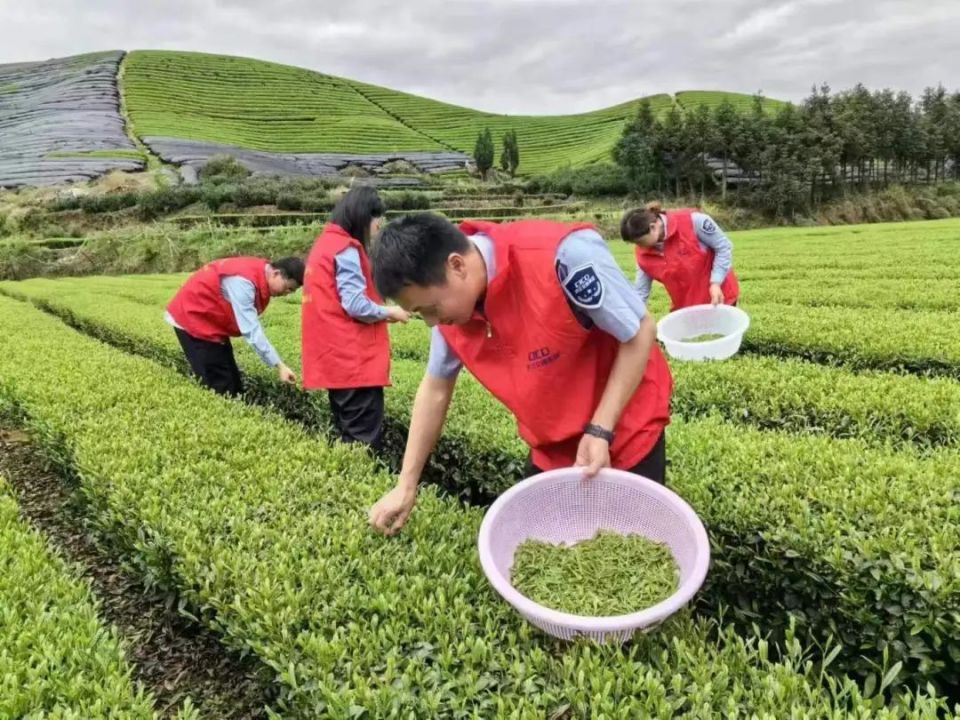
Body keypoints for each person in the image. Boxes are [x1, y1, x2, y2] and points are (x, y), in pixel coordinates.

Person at [366, 214, 673, 536]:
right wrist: (406, 485)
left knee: (628, 545)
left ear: (456, 266)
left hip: (624, 429)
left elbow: (639, 332)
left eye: (430, 309)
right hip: (551, 445)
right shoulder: (451, 317)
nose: (431, 322)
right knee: (547, 551)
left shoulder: (564, 256)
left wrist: (600, 430)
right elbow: (435, 389)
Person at [301, 186, 409, 452]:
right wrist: (390, 312)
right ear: (363, 216)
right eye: (376, 218)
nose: (378, 225)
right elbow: (355, 304)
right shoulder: (346, 249)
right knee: (364, 443)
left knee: (348, 436)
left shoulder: (325, 243)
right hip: (354, 363)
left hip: (336, 360)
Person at [165, 256, 303, 396]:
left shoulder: (261, 270)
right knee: (220, 386)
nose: (286, 294)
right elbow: (251, 331)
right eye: (288, 288)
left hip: (211, 322)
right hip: (193, 320)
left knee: (233, 383)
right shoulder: (243, 282)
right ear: (276, 274)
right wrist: (279, 365)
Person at [621, 202, 740, 310]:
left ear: (653, 227)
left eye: (640, 242)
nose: (639, 246)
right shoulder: (643, 255)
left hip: (719, 297)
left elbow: (723, 247)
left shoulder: (693, 222)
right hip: (687, 308)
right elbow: (641, 291)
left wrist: (716, 283)